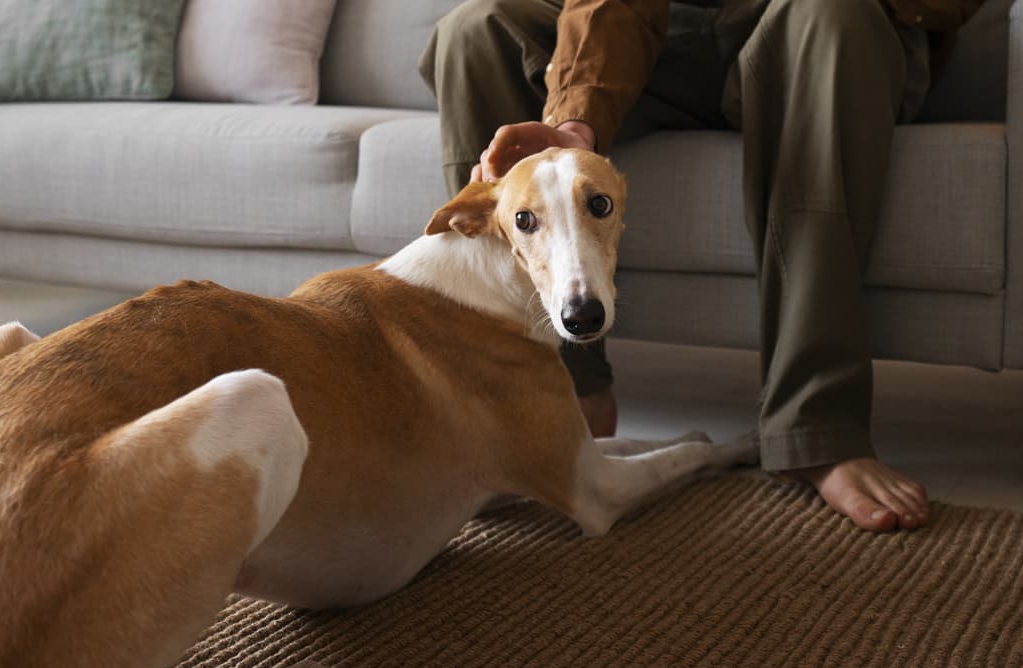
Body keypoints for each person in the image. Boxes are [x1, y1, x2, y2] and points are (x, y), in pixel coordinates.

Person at [420, 0, 983, 531]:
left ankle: (819, 428)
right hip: (662, 35)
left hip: (817, 27)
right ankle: (560, 402)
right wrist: (572, 127)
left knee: (832, 11)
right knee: (477, 32)